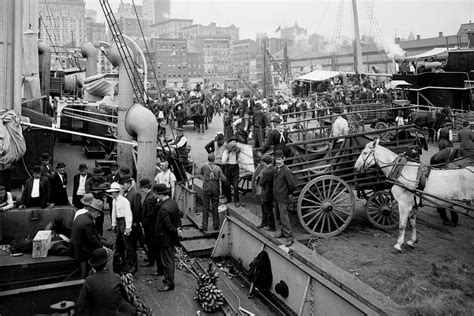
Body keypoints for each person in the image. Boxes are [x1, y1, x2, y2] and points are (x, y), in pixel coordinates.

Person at [75, 248, 136, 316]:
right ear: (106, 263)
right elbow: (125, 298)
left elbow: (80, 304)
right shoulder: (116, 277)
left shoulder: (89, 280)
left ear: (93, 266)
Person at [154, 184, 182, 291]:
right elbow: (178, 217)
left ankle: (169, 283)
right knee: (169, 260)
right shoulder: (173, 203)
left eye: (157, 194)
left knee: (167, 262)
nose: (157, 197)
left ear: (161, 194)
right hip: (170, 239)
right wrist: (179, 229)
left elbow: (168, 225)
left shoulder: (164, 208)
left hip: (164, 239)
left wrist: (176, 232)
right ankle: (169, 280)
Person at [69, 194, 106, 278]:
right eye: (99, 213)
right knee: (101, 253)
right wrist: (102, 248)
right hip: (81, 251)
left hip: (75, 247)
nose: (99, 215)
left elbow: (93, 236)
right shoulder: (88, 222)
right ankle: (99, 274)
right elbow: (92, 240)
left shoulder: (81, 215)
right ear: (94, 211)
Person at [107, 182, 134, 274]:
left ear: (117, 192)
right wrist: (113, 223)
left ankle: (133, 264)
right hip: (119, 222)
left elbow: (128, 214)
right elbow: (113, 212)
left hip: (124, 222)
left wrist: (128, 227)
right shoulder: (114, 200)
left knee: (128, 244)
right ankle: (121, 261)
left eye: (113, 192)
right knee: (119, 243)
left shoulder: (124, 201)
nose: (112, 194)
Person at [273, 150, 296, 247]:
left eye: (279, 159)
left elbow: (292, 185)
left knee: (284, 216)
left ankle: (289, 237)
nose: (278, 161)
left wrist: (288, 193)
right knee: (278, 216)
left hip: (283, 197)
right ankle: (282, 231)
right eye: (276, 159)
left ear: (283, 159)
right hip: (277, 197)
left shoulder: (286, 170)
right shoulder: (277, 169)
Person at [120, 175, 141, 274]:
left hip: (131, 225)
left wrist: (134, 224)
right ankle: (130, 261)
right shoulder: (126, 193)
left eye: (123, 184)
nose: (122, 186)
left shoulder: (135, 194)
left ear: (128, 183)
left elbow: (137, 210)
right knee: (128, 246)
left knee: (131, 246)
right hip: (126, 224)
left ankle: (134, 265)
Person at [200, 153, 227, 232]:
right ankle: (215, 226)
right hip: (215, 188)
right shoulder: (218, 168)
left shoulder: (204, 167)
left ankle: (204, 226)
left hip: (207, 187)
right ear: (214, 159)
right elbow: (223, 179)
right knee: (215, 207)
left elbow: (200, 173)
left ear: (208, 159)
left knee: (205, 207)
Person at [139, 178, 158, 269]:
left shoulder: (150, 198)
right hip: (149, 225)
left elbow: (150, 213)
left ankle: (151, 261)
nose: (142, 190)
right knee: (150, 242)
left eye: (142, 188)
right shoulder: (150, 195)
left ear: (146, 187)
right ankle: (151, 258)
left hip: (150, 225)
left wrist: (144, 222)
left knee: (150, 242)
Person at [257, 155, 276, 231]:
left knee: (267, 210)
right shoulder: (274, 169)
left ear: (264, 163)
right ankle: (264, 223)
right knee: (267, 208)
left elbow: (261, 183)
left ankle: (271, 226)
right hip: (271, 192)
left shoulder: (266, 171)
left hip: (266, 193)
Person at [221, 136, 241, 207]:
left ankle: (236, 200)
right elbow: (223, 162)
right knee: (227, 184)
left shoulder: (238, 150)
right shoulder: (226, 151)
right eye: (232, 142)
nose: (234, 143)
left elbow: (241, 159)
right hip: (228, 167)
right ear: (229, 143)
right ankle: (228, 198)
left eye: (235, 142)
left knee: (236, 185)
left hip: (235, 168)